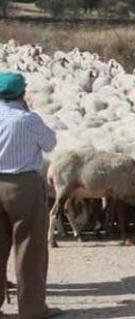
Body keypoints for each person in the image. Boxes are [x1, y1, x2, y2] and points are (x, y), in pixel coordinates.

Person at [0, 72, 61, 318]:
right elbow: (50, 143)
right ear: (22, 94)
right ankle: (32, 309)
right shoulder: (28, 119)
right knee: (29, 246)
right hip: (23, 186)